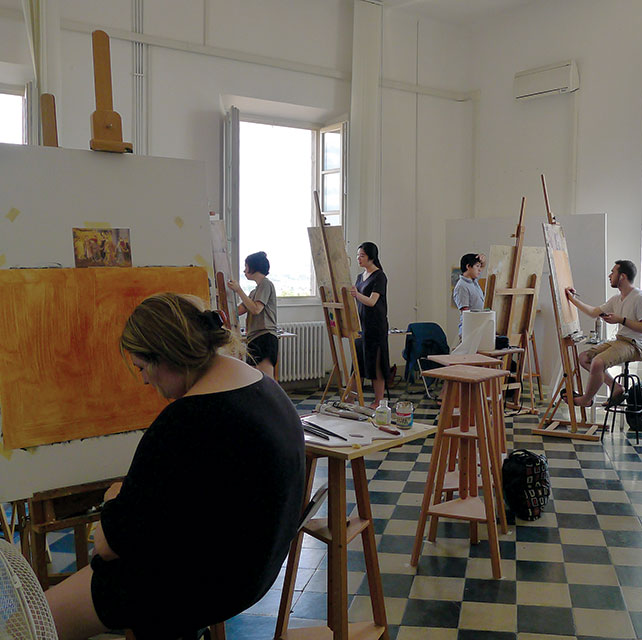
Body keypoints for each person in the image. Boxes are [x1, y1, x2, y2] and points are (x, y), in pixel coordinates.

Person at [45, 293, 305, 640]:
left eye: (141, 368)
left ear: (166, 357)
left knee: (36, 619)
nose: (144, 381)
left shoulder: (186, 420)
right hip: (255, 569)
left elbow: (110, 546)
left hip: (200, 584)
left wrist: (112, 501)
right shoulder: (261, 385)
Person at [564, 259, 642, 407]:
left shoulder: (640, 298)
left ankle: (586, 399)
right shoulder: (616, 299)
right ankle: (615, 387)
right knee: (584, 358)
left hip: (636, 345)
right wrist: (572, 299)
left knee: (598, 362)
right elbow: (594, 312)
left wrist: (621, 320)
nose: (610, 275)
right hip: (621, 341)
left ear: (622, 276)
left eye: (613, 272)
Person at [228, 250, 278, 379]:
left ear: (254, 267)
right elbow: (240, 310)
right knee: (256, 381)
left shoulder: (266, 284)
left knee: (266, 383)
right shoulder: (254, 292)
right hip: (254, 338)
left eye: (246, 267)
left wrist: (238, 290)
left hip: (265, 337)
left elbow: (256, 309)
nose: (244, 271)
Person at [351, 241, 389, 404]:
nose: (359, 259)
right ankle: (350, 396)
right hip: (362, 326)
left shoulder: (379, 276)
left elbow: (373, 301)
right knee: (357, 362)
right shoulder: (361, 277)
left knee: (376, 363)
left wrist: (356, 294)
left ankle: (378, 400)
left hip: (375, 326)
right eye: (358, 255)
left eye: (362, 256)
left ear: (371, 257)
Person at [453, 252, 487, 337]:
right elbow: (466, 312)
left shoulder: (473, 281)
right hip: (470, 330)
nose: (480, 269)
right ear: (468, 267)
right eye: (477, 266)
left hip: (479, 327)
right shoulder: (462, 286)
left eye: (480, 266)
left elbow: (483, 266)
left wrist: (483, 259)